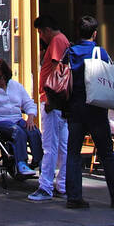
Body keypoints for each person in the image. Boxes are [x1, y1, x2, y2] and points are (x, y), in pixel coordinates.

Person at [64, 15, 114, 210]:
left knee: (73, 153)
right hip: (96, 108)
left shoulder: (70, 52)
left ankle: (74, 196)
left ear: (78, 32)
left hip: (76, 107)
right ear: (95, 34)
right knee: (106, 152)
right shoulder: (100, 52)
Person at [0, 58, 43, 178]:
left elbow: (28, 103)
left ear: (5, 76)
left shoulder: (16, 87)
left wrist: (30, 117)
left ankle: (40, 161)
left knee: (33, 130)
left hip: (16, 118)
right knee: (17, 131)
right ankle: (21, 164)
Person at [28, 13, 70, 202]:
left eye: (40, 33)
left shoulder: (56, 42)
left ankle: (45, 186)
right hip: (61, 103)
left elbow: (57, 72)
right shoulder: (64, 40)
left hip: (52, 101)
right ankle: (62, 184)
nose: (40, 37)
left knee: (50, 146)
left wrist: (51, 100)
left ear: (45, 30)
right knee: (62, 145)